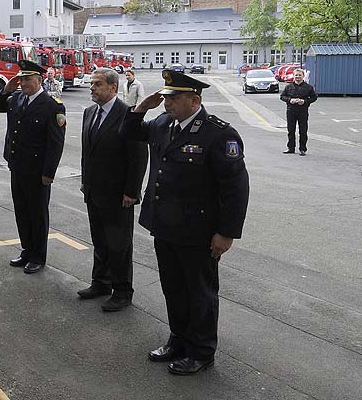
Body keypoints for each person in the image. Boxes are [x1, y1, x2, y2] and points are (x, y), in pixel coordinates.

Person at [120, 69, 249, 375]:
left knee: (200, 292)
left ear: (195, 100)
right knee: (173, 288)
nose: (167, 102)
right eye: (166, 96)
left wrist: (226, 233)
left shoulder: (218, 134)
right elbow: (130, 133)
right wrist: (140, 108)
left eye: (174, 98)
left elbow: (236, 188)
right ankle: (178, 338)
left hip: (198, 231)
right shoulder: (165, 122)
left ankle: (202, 350)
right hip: (164, 224)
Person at [78, 68, 148, 311]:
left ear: (113, 88)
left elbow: (138, 157)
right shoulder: (89, 113)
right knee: (100, 241)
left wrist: (132, 191)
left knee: (119, 245)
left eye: (97, 84)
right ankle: (101, 282)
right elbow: (88, 153)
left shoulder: (127, 115)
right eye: (91, 83)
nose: (92, 87)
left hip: (118, 195)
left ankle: (122, 291)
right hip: (94, 192)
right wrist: (86, 182)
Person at [0, 60, 67, 274]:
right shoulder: (16, 98)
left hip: (37, 170)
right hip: (17, 165)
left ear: (39, 80)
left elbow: (55, 143)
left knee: (37, 214)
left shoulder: (52, 105)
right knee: (22, 212)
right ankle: (27, 250)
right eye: (21, 78)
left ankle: (38, 256)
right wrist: (6, 90)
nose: (22, 82)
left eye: (27, 79)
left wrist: (48, 173)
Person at [281, 67, 317, 155]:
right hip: (291, 111)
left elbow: (314, 97)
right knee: (291, 130)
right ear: (293, 76)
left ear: (303, 76)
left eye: (300, 75)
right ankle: (291, 148)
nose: (298, 77)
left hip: (302, 111)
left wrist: (304, 101)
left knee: (303, 131)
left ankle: (303, 149)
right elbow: (282, 96)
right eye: (296, 75)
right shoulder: (288, 87)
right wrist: (290, 100)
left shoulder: (308, 87)